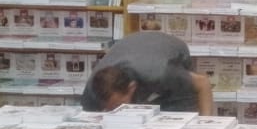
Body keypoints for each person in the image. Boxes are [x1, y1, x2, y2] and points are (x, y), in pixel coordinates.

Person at [80, 32, 214, 114]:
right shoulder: (92, 92)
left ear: (131, 88)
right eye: (108, 109)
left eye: (116, 106)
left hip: (169, 49)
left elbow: (203, 84)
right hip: (135, 49)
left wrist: (205, 126)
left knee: (178, 114)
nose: (113, 111)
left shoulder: (161, 73)